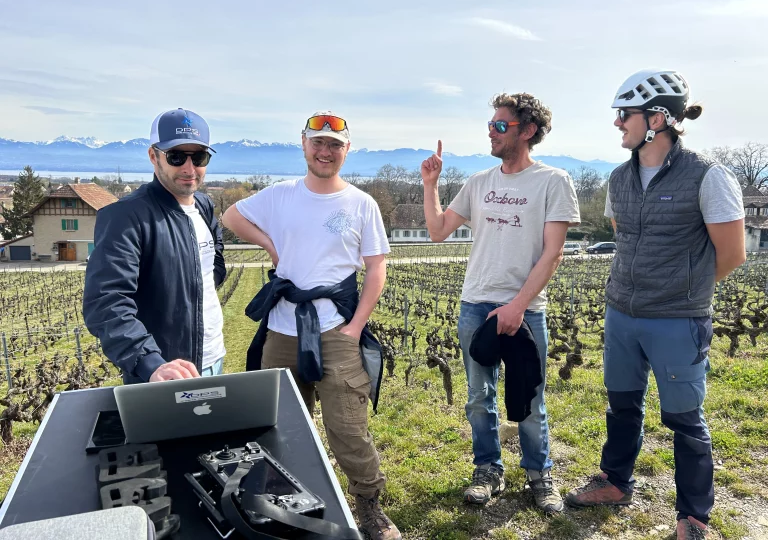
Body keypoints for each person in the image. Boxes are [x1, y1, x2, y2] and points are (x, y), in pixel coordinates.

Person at [565, 70, 746, 539]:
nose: (617, 123)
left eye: (624, 114)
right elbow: (625, 238)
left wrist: (682, 292)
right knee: (621, 404)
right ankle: (615, 482)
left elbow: (731, 254)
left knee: (684, 419)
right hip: (622, 313)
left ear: (659, 118)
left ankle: (693, 516)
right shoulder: (618, 178)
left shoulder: (709, 176)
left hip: (677, 320)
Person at [221, 111, 401, 540]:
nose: (325, 151)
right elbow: (231, 216)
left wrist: (356, 327)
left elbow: (376, 269)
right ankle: (284, 504)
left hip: (337, 330)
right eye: (317, 143)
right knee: (277, 423)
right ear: (303, 144)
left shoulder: (361, 203)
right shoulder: (280, 195)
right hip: (282, 331)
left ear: (346, 150)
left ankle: (369, 506)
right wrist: (269, 243)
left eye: (334, 145)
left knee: (348, 428)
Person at [421, 93, 580, 513]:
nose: (491, 131)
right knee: (478, 396)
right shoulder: (478, 182)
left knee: (530, 396)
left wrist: (516, 306)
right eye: (490, 124)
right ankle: (487, 469)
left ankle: (538, 474)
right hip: (475, 304)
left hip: (526, 309)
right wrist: (430, 185)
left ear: (527, 131)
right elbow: (438, 231)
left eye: (500, 125)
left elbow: (553, 253)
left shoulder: (553, 181)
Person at [84, 108, 226, 383]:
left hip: (214, 358)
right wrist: (150, 363)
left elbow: (214, 255)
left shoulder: (204, 205)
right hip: (163, 373)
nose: (189, 168)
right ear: (154, 156)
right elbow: (106, 301)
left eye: (198, 157)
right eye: (175, 157)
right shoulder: (125, 217)